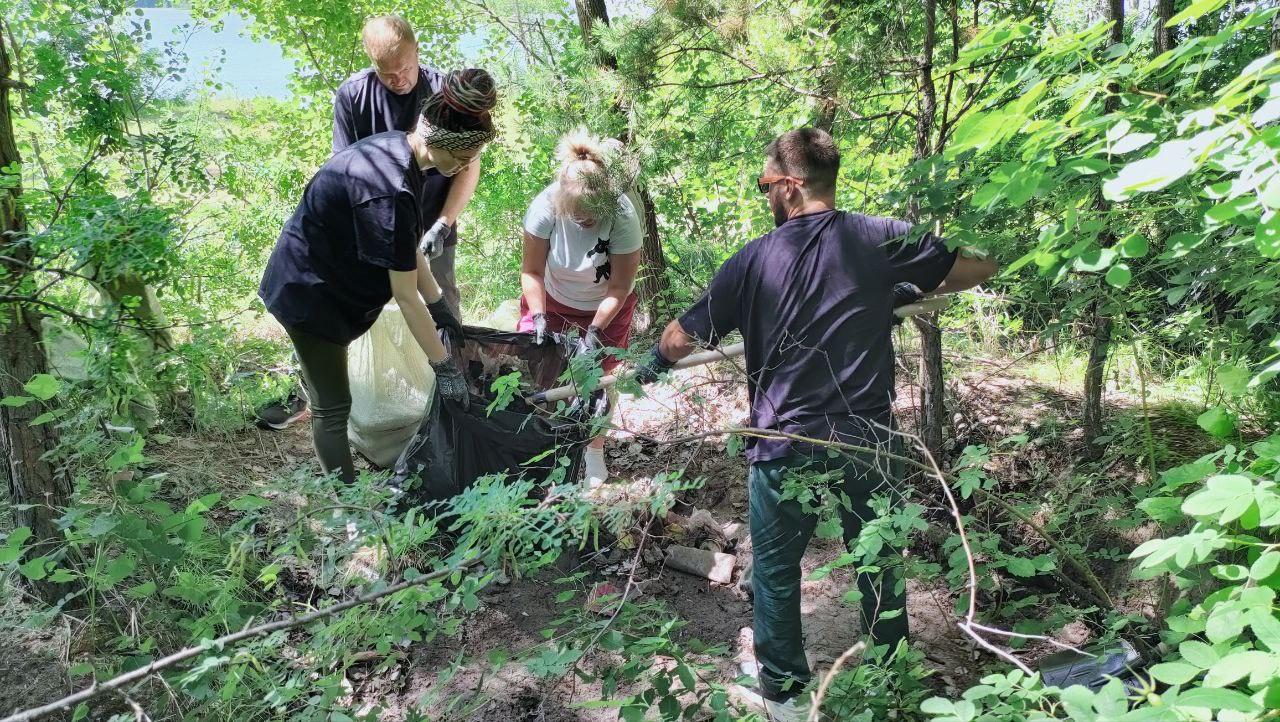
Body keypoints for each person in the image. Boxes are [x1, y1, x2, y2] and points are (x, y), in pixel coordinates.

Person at [631, 128, 997, 721]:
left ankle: (784, 695)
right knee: (876, 557)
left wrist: (655, 360)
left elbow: (679, 338)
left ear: (792, 186)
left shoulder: (752, 260)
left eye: (766, 184)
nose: (763, 196)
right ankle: (890, 677)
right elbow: (973, 268)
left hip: (783, 441)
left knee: (775, 570)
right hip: (865, 439)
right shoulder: (879, 239)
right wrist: (897, 287)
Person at [259, 70, 498, 484]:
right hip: (308, 294)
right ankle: (348, 507)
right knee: (333, 407)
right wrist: (443, 369)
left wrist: (440, 306)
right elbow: (405, 297)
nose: (461, 168)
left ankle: (348, 497)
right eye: (460, 159)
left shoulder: (398, 150)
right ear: (436, 141)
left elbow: (405, 248)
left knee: (335, 399)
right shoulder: (389, 188)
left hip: (334, 283)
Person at [333, 14, 490, 315]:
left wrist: (443, 225)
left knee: (442, 302)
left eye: (405, 68)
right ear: (372, 62)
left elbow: (468, 163)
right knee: (373, 306)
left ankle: (450, 357)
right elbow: (344, 173)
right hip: (377, 223)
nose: (399, 79)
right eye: (387, 73)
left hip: (435, 220)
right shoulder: (353, 96)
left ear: (417, 49)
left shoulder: (445, 94)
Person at [518, 129, 643, 487]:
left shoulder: (622, 215)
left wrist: (593, 332)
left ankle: (593, 452)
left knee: (598, 379)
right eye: (578, 216)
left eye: (591, 216)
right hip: (552, 298)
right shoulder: (545, 206)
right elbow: (530, 271)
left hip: (605, 305)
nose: (585, 222)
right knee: (537, 371)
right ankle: (545, 449)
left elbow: (619, 286)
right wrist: (539, 316)